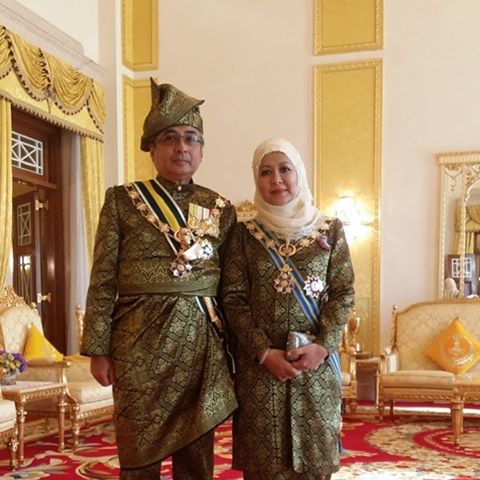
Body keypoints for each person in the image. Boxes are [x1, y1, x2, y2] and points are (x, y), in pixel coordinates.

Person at [80, 79, 238, 480]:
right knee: (138, 451)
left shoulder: (220, 208)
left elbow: (233, 287)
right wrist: (98, 348)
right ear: (152, 148)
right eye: (170, 138)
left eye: (190, 138)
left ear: (202, 150)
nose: (181, 147)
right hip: (137, 344)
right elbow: (102, 278)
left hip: (201, 347)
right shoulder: (122, 200)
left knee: (196, 455)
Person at [221, 137, 355, 480]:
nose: (276, 179)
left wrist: (323, 346)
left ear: (300, 174)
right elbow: (233, 299)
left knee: (315, 466)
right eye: (265, 172)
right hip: (260, 371)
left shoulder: (330, 230)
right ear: (256, 179)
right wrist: (264, 352)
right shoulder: (243, 235)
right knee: (264, 467)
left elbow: (342, 293)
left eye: (285, 169)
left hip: (315, 368)